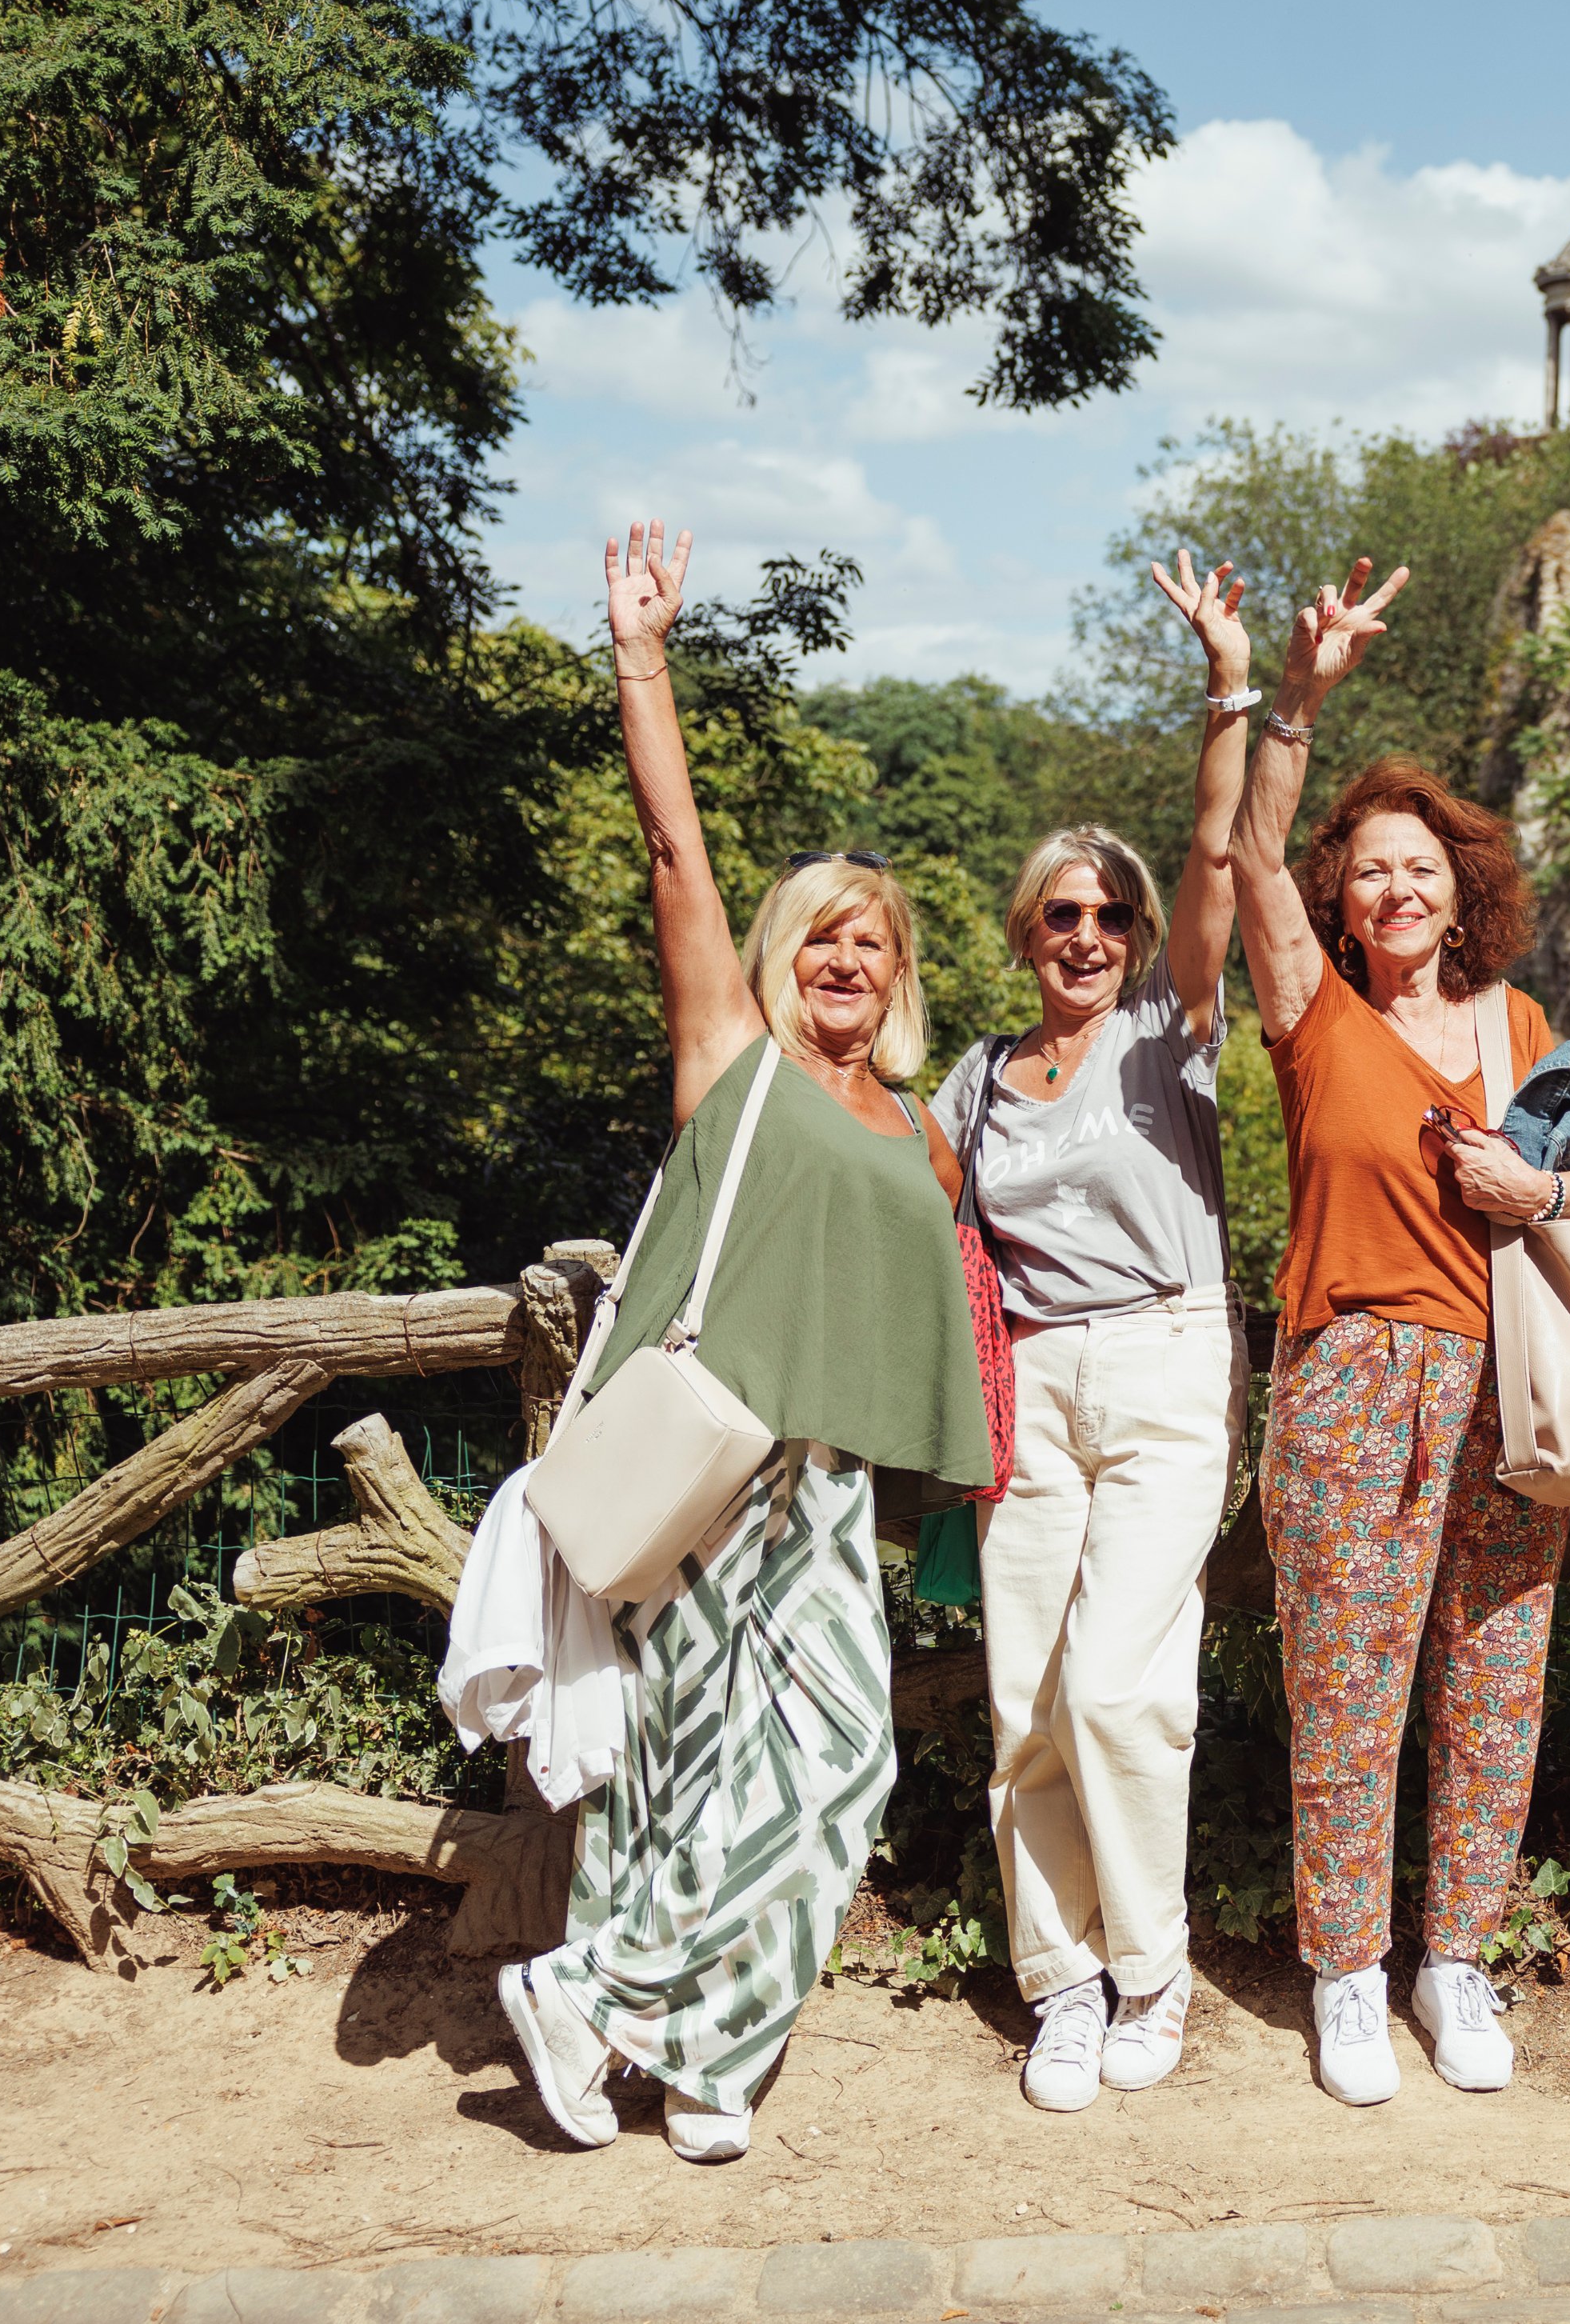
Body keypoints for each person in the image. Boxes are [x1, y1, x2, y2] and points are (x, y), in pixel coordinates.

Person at [498, 520, 996, 2163]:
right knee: (687, 1764)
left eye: (874, 939)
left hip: (829, 1481)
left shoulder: (916, 1125)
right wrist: (640, 651)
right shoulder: (735, 1057)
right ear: (782, 961)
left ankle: (640, 2014)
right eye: (819, 935)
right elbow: (672, 857)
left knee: (834, 1761)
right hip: (714, 1456)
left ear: (899, 972)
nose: (845, 956)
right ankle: (669, 2038)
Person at [1229, 554, 1570, 2108]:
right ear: (1344, 897)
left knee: (1494, 1678)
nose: (1394, 890)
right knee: (1345, 1690)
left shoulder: (1520, 1024)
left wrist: (1534, 1180)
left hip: (1502, 1387)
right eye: (1369, 871)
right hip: (1348, 1376)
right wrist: (1298, 697)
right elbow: (1250, 849)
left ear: (1463, 887)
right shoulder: (1312, 1016)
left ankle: (1452, 1958)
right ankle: (1344, 1969)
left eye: (1421, 868)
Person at [926, 551, 1252, 2114]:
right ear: (1022, 930)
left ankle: (1151, 1963)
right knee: (1026, 1694)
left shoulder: (1165, 1028)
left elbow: (1212, 854)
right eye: (1060, 912)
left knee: (1122, 1681)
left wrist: (1226, 686)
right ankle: (1057, 1978)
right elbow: (895, 1199)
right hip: (1030, 1383)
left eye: (1108, 910)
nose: (1087, 931)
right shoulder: (979, 1080)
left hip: (1166, 1358)